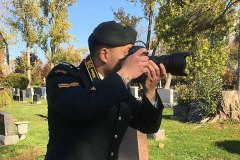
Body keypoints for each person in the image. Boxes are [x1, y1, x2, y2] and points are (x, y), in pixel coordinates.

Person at [45, 21, 166, 160]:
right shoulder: (63, 74)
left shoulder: (118, 88)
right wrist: (125, 74)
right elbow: (79, 106)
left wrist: (150, 91)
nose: (132, 59)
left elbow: (148, 126)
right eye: (128, 53)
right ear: (104, 54)